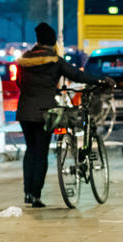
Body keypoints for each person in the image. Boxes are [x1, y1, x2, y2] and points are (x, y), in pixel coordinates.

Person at [15, 22, 109, 208]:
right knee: (41, 153)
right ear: (52, 42)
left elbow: (19, 83)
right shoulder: (54, 61)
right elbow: (77, 76)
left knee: (30, 151)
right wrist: (101, 80)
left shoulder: (24, 60)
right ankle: (36, 195)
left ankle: (27, 193)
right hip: (45, 113)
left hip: (25, 111)